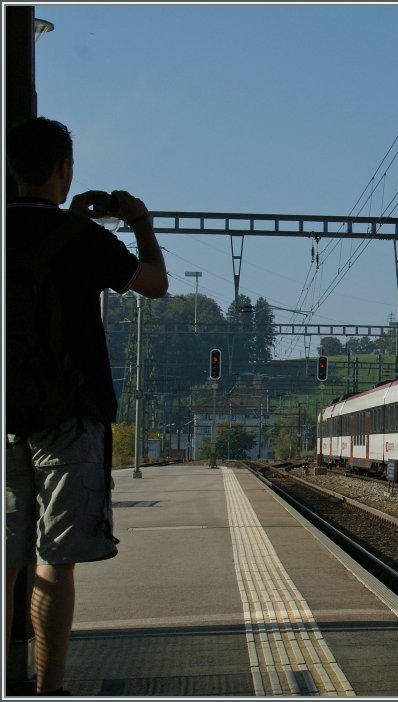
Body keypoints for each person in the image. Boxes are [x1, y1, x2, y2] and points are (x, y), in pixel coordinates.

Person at [4, 117, 168, 695]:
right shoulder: (82, 240)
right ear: (64, 170)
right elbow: (153, 283)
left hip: (4, 419)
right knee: (55, 559)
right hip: (69, 419)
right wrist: (140, 223)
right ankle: (49, 689)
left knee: (7, 557)